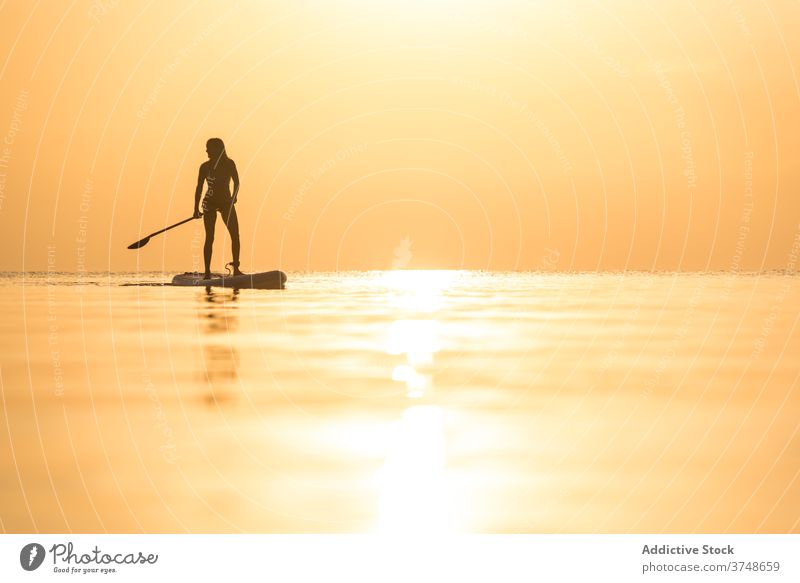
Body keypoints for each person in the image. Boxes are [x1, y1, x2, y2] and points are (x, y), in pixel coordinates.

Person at [193, 138, 242, 278]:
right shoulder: (204, 167)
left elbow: (237, 182)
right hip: (210, 203)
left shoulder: (229, 164)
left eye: (209, 148)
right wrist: (195, 208)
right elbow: (199, 188)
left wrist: (234, 197)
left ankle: (236, 269)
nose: (206, 150)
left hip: (227, 203)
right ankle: (207, 272)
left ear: (217, 149)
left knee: (235, 235)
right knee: (210, 237)